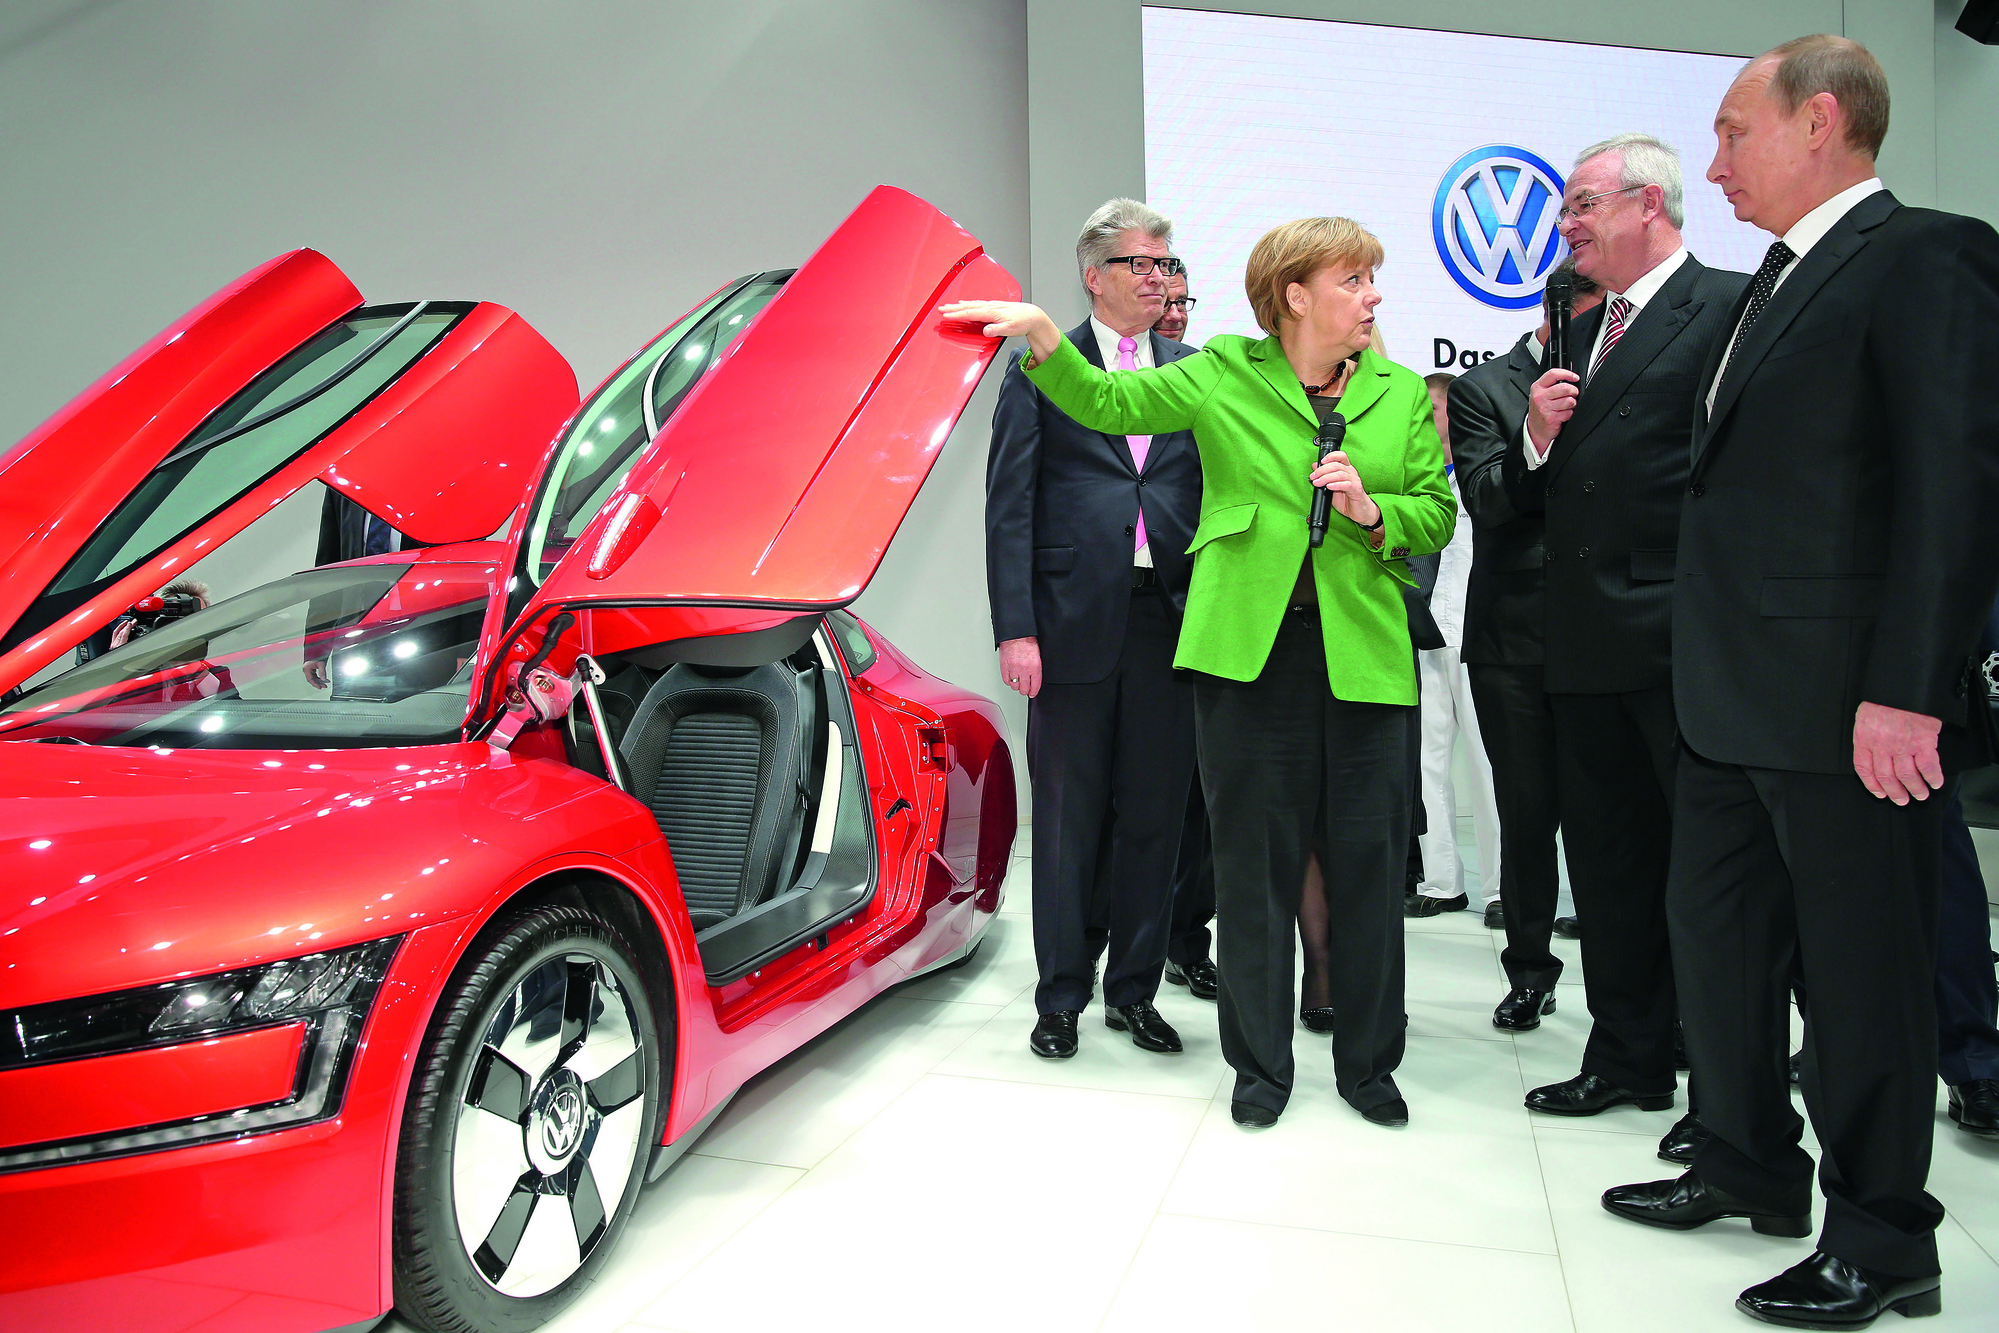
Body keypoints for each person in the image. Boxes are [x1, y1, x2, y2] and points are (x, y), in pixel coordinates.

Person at [1601, 37, 1999, 1327]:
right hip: (1728, 699)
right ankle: (1744, 1158)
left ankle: (1883, 1240)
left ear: (1820, 121)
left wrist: (1910, 687)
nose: (1713, 160)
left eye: (1733, 132)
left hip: (1847, 708)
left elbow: (1953, 489)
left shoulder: (1923, 255)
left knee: (1859, 977)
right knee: (1715, 942)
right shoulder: (1771, 282)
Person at [948, 216, 1456, 1129]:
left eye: (1370, 279)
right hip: (1243, 656)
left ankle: (1368, 1065)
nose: (1372, 295)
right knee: (1251, 871)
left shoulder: (1395, 392)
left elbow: (1435, 510)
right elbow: (1108, 403)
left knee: (1369, 870)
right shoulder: (1223, 369)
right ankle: (1258, 1069)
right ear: (1295, 295)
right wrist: (1041, 339)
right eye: (1353, 279)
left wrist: (1372, 510)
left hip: (1364, 657)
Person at [1509, 136, 1748, 1159]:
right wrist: (1536, 434)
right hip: (1582, 645)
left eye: (1580, 203)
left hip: (1680, 644)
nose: (1565, 223)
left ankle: (1723, 1091)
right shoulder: (1577, 324)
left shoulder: (1726, 304)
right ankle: (1626, 1055)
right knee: (1606, 867)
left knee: (1706, 886)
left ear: (1647, 205)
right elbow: (1534, 494)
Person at [984, 199, 1202, 1061]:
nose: (1158, 278)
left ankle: (1134, 991)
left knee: (1155, 818)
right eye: (1140, 263)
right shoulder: (1042, 364)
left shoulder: (1192, 371)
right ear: (1093, 275)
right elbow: (1009, 504)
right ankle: (1061, 995)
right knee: (1069, 820)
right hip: (1069, 624)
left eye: (1164, 263)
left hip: (1171, 622)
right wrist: (1016, 628)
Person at [1453, 262, 1598, 1019]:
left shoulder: (1628, 375)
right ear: (1556, 312)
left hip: (1616, 631)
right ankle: (1530, 970)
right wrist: (1535, 433)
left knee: (1617, 821)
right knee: (1526, 813)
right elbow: (1485, 498)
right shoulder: (1485, 388)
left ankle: (1635, 993)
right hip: (1514, 637)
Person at [1403, 372, 1502, 918]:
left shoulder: (1482, 477)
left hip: (1477, 637)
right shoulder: (1414, 479)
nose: (1423, 417)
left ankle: (1502, 888)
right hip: (1422, 639)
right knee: (1425, 761)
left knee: (1488, 764)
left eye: (1432, 408)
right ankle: (1442, 881)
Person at [1153, 270, 1220, 1002]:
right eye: (1163, 301)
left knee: (1200, 798)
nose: (1173, 313)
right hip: (1129, 612)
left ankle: (1187, 940)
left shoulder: (1211, 379)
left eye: (1182, 303)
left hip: (1204, 609)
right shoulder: (1112, 383)